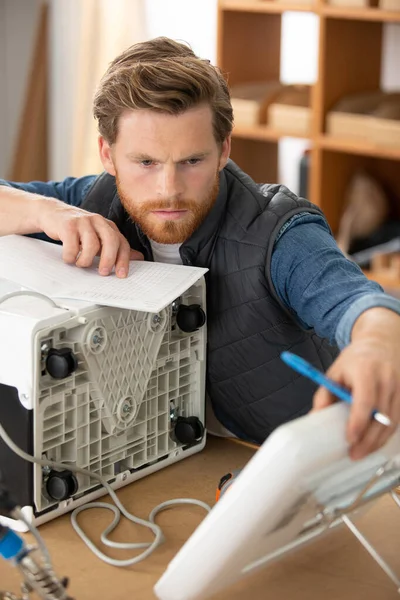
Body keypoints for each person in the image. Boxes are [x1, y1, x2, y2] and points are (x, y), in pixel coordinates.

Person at [1, 37, 400, 459]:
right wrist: (46, 212)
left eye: (192, 161)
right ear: (107, 154)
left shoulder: (277, 229)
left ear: (224, 149)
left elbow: (358, 301)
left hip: (283, 468)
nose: (168, 190)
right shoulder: (89, 205)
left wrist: (376, 343)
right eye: (146, 163)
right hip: (147, 463)